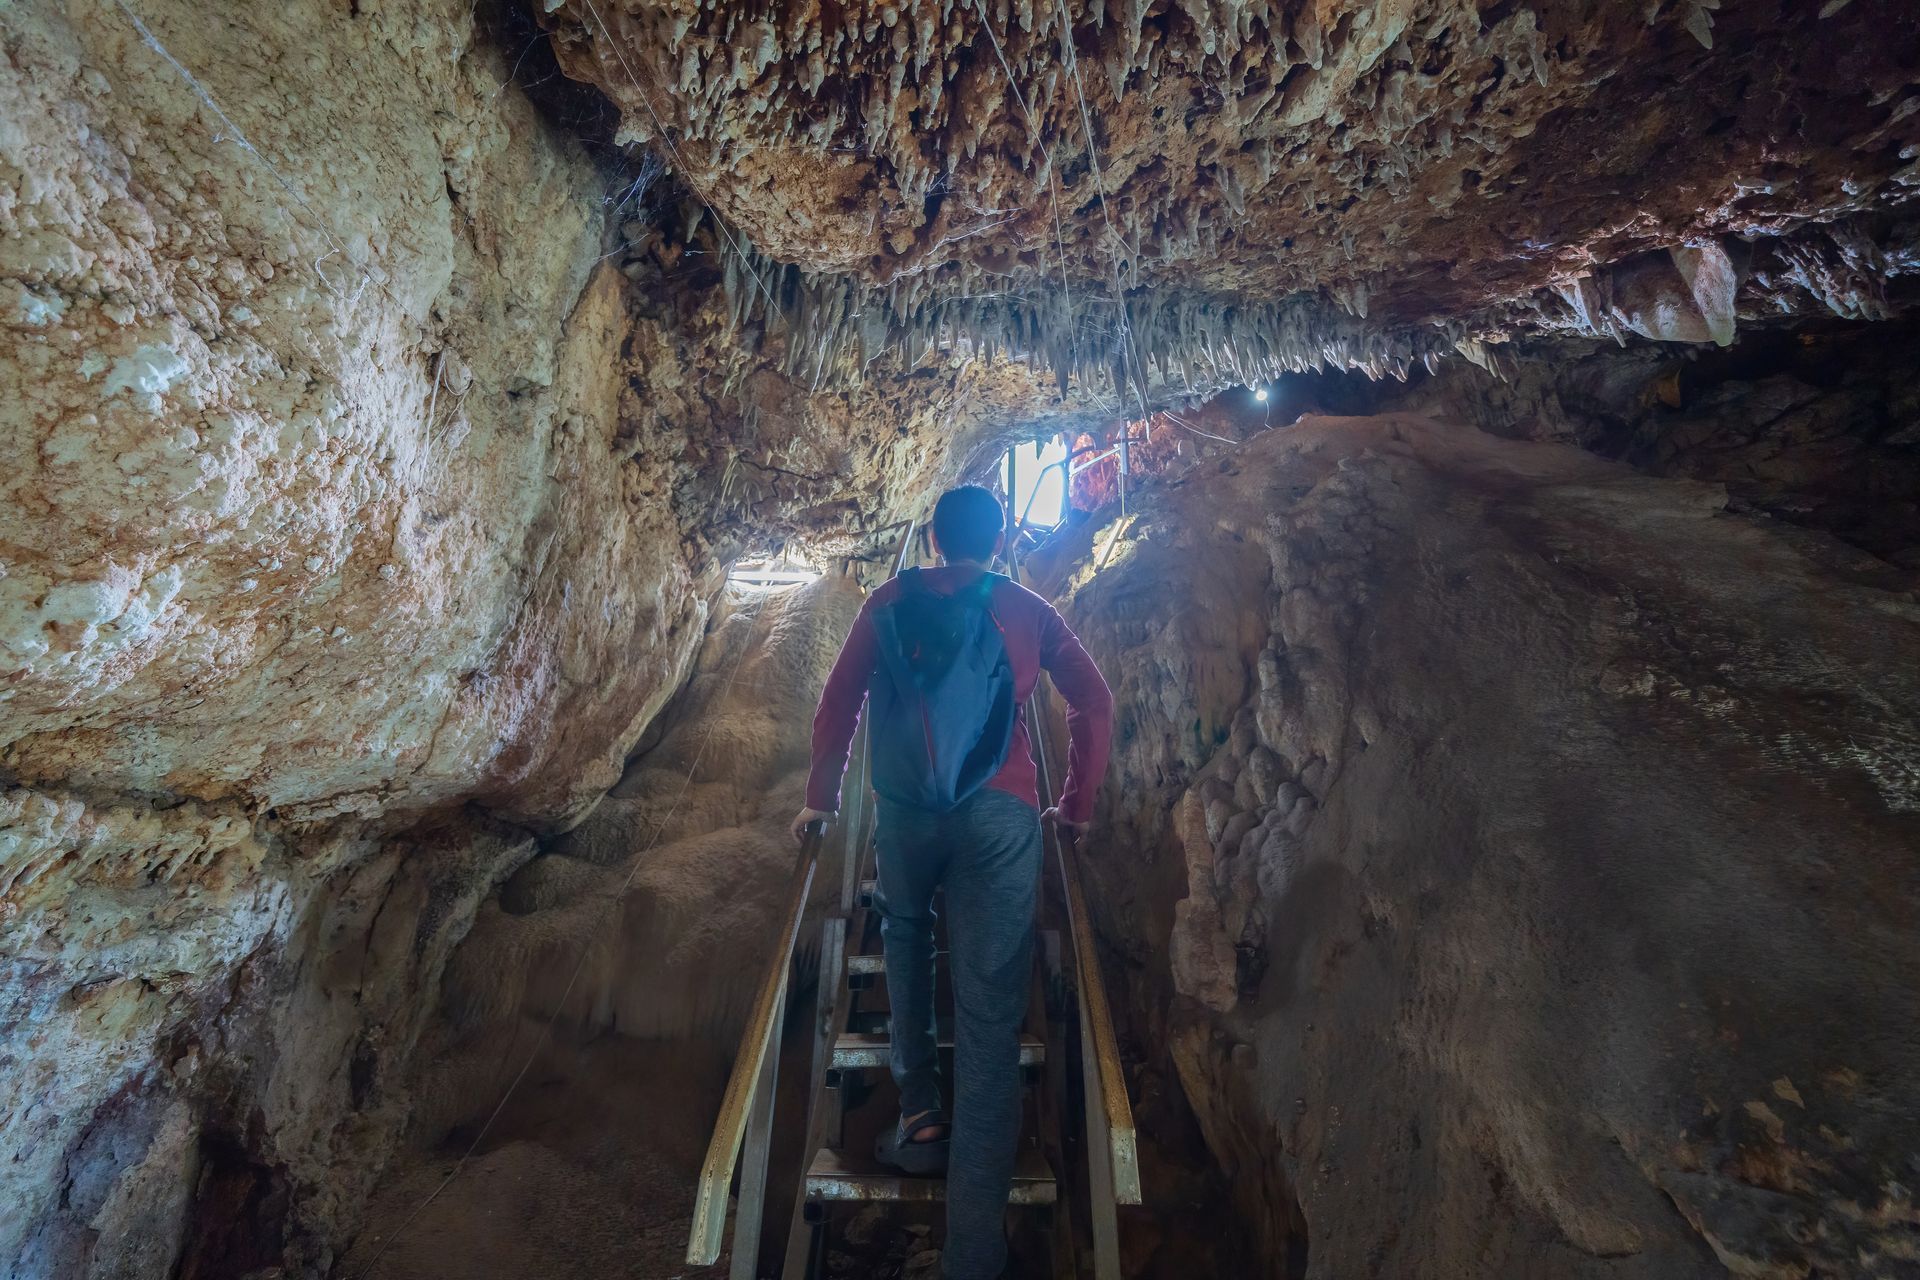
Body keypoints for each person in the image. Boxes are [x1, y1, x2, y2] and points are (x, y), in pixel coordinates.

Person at [791, 485, 1113, 1280]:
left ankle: (921, 1110)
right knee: (990, 1022)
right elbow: (1094, 704)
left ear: (933, 539)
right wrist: (1074, 807)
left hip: (904, 815)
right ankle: (973, 1256)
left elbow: (838, 708)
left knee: (903, 931)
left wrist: (819, 801)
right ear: (999, 542)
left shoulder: (887, 601)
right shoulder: (1026, 608)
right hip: (1003, 817)